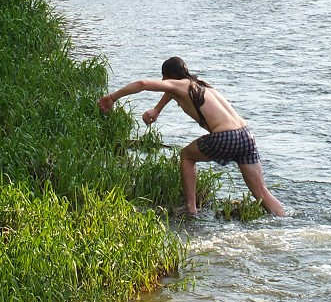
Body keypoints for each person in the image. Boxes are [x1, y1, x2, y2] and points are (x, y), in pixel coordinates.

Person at [98, 57, 286, 217]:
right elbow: (172, 92)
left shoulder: (180, 86)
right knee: (261, 192)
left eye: (164, 78)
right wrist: (157, 109)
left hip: (225, 136)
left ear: (167, 76)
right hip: (246, 135)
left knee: (187, 156)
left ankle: (191, 209)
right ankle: (284, 220)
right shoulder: (201, 85)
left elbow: (142, 84)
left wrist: (112, 97)